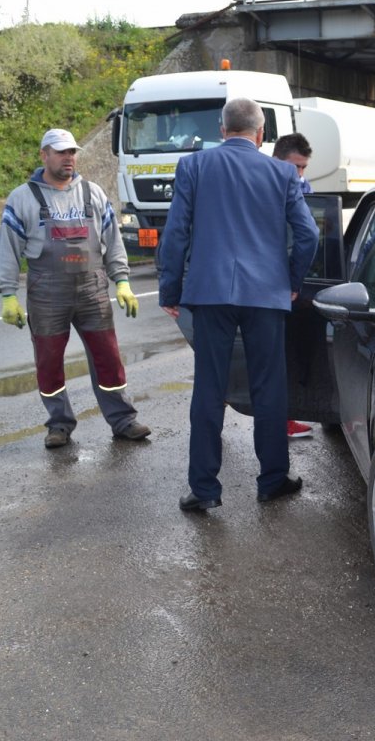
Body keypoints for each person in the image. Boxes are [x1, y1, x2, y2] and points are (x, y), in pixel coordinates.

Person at [159, 98, 320, 513]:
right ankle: (272, 480)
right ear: (261, 134)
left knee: (209, 390)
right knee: (269, 387)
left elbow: (175, 233)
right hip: (266, 295)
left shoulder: (192, 167)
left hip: (209, 294)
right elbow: (308, 237)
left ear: (221, 128)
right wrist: (291, 283)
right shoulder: (283, 172)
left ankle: (204, 489)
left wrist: (170, 290)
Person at [0, 128, 151, 449]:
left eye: (72, 152)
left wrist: (121, 281)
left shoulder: (93, 193)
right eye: (61, 152)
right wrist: (8, 294)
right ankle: (59, 424)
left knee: (108, 358)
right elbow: (8, 249)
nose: (69, 157)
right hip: (46, 294)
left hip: (93, 291)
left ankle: (123, 420)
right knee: (49, 362)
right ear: (44, 155)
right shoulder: (22, 198)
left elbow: (113, 241)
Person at [272, 132, 316, 440]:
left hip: (283, 281)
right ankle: (280, 423)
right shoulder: (268, 184)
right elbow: (308, 235)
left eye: (303, 168)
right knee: (276, 356)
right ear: (279, 159)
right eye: (296, 166)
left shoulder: (303, 188)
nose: (300, 174)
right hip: (274, 282)